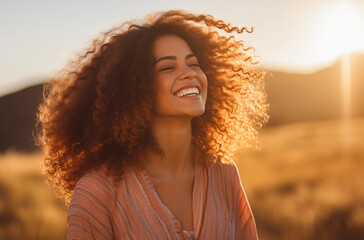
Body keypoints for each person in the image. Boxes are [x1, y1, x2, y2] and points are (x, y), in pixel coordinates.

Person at [36, 10, 268, 240]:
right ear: (133, 89)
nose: (189, 74)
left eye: (194, 64)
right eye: (168, 67)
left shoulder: (225, 175)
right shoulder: (96, 194)